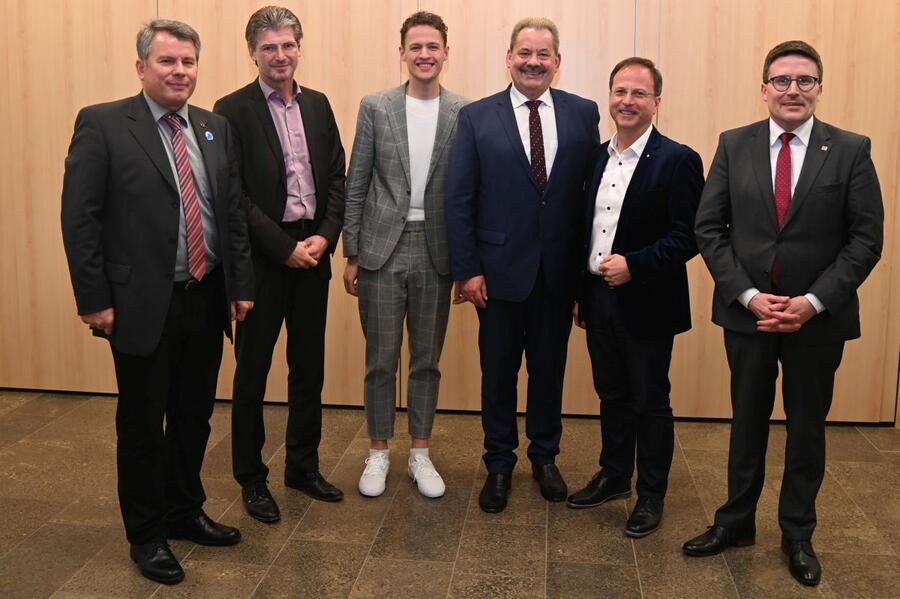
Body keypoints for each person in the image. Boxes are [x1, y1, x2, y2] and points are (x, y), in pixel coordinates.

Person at [60, 19, 254, 584]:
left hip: (206, 295)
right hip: (140, 303)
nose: (180, 72)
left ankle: (184, 510)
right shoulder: (103, 124)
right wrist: (93, 297)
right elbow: (80, 219)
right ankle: (146, 534)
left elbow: (231, 214)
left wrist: (240, 286)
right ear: (141, 66)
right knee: (144, 424)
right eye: (168, 61)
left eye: (188, 61)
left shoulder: (214, 127)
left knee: (194, 416)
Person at [684, 40, 883, 587]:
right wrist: (748, 295)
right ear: (764, 88)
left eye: (804, 80)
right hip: (748, 315)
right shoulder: (734, 144)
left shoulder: (850, 149)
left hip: (816, 322)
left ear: (819, 87)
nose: (792, 90)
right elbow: (709, 229)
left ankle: (797, 534)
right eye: (782, 80)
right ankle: (735, 522)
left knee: (806, 429)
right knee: (745, 421)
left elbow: (866, 239)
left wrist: (812, 303)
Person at [445, 17, 600, 513]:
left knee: (549, 371)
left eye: (543, 54)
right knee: (498, 372)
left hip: (558, 274)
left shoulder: (583, 113)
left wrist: (584, 280)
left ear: (558, 61)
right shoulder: (476, 117)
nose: (534, 62)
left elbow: (589, 200)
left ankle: (545, 456)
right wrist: (467, 270)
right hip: (496, 274)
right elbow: (459, 198)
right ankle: (498, 462)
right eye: (525, 53)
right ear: (509, 58)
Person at [213, 5, 346, 523]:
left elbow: (336, 179)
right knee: (253, 373)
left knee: (308, 369)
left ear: (299, 48)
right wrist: (282, 247)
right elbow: (233, 193)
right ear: (252, 53)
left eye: (288, 45)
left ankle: (302, 466)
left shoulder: (319, 104)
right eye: (268, 47)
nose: (280, 55)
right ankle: (251, 478)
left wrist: (324, 238)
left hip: (313, 252)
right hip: (262, 259)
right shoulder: (231, 109)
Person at [566, 58, 703, 539]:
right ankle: (614, 475)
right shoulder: (595, 158)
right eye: (620, 92)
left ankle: (651, 493)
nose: (627, 101)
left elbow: (689, 236)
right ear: (610, 97)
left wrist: (635, 264)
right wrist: (580, 292)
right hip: (597, 298)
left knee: (650, 400)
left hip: (648, 302)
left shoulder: (678, 159)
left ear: (656, 102)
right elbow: (584, 229)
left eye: (639, 93)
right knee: (611, 393)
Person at [342, 12, 468, 498]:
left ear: (445, 53)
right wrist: (352, 251)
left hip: (437, 251)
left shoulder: (463, 111)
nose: (424, 54)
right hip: (381, 249)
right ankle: (378, 451)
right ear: (402, 53)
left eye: (433, 46)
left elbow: (468, 193)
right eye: (415, 46)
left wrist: (467, 263)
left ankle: (420, 453)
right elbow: (357, 181)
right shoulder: (376, 106)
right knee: (381, 358)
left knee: (426, 360)